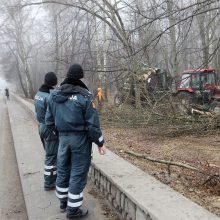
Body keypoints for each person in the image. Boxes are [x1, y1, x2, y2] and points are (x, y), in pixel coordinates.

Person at [45, 64, 106, 219]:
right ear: (80, 76)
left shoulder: (54, 95)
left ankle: (63, 203)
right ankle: (73, 211)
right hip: (80, 140)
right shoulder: (85, 96)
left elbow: (49, 121)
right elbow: (92, 125)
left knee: (63, 169)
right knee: (78, 172)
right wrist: (100, 143)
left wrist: (58, 135)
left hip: (63, 139)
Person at [34, 72, 59, 191]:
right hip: (49, 129)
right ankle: (49, 183)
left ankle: (53, 178)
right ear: (53, 83)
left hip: (41, 127)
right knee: (51, 156)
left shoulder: (38, 94)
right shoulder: (49, 97)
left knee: (50, 154)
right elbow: (53, 115)